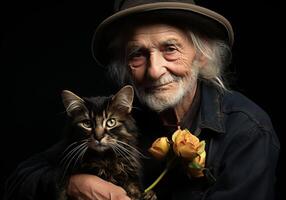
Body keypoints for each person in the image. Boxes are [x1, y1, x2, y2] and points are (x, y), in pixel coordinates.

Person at [3, 0, 280, 200]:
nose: (154, 70)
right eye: (138, 54)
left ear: (201, 54)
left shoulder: (247, 130)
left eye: (170, 49)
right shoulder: (125, 119)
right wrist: (71, 184)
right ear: (125, 66)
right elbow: (20, 180)